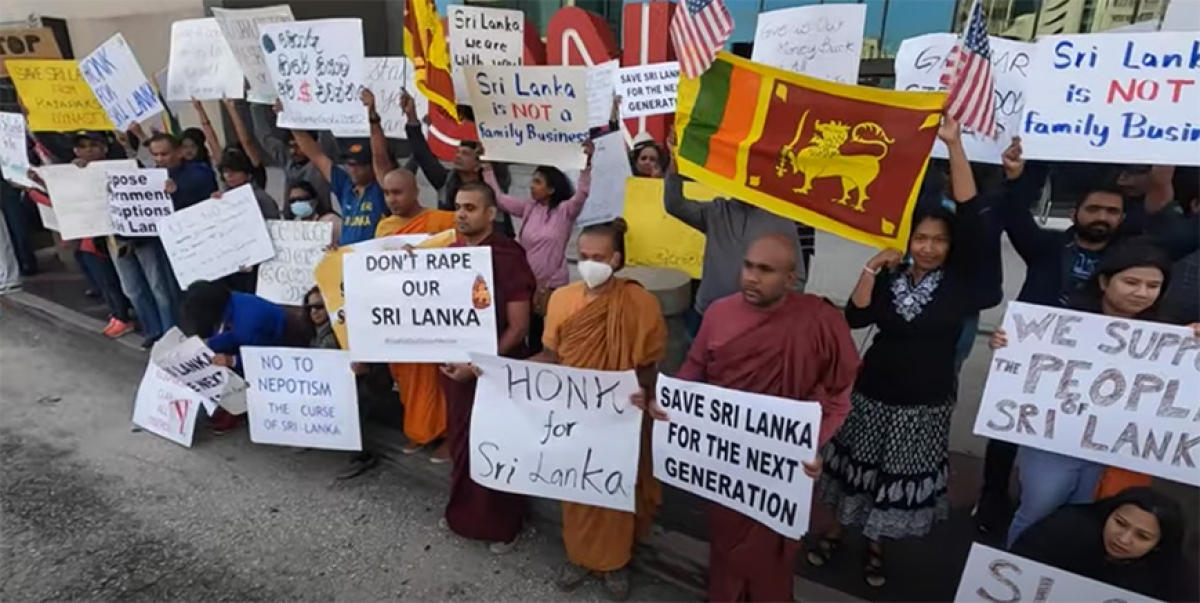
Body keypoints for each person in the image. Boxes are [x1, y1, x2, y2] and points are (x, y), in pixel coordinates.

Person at [809, 119, 981, 588]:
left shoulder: (963, 286)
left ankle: (876, 547)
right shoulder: (892, 276)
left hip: (921, 406)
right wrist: (871, 266)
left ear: (951, 246)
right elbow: (857, 318)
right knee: (854, 476)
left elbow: (973, 213)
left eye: (938, 240)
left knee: (890, 484)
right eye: (920, 239)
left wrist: (955, 146)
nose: (928, 248)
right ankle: (834, 531)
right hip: (872, 393)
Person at [645, 232, 858, 602]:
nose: (751, 278)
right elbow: (695, 370)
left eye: (766, 270)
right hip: (727, 463)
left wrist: (812, 444)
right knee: (726, 546)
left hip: (782, 467)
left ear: (791, 279)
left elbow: (840, 396)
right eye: (748, 266)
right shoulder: (719, 313)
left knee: (774, 556)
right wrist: (669, 403)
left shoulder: (819, 320)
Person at [971, 140, 1170, 533]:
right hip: (1032, 363)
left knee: (1070, 478)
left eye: (1112, 211)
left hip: (1098, 380)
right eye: (1093, 208)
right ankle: (994, 498)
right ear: (1076, 212)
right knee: (1007, 436)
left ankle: (1063, 532)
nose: (1102, 216)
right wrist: (1019, 175)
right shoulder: (1047, 247)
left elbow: (1168, 221)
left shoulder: (1135, 257)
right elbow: (1012, 215)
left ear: (1122, 217)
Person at [997, 241, 1197, 547]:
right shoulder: (1060, 322)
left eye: (1153, 285)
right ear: (1105, 281)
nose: (1141, 292)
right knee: (1037, 511)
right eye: (1131, 282)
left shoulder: (1169, 338)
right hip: (1053, 440)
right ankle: (1012, 572)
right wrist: (1006, 345)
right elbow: (1025, 366)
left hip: (1115, 449)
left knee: (1094, 520)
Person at [521, 219, 665, 600]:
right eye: (582, 257)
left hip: (621, 417)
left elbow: (649, 366)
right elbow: (551, 355)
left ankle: (616, 561)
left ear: (616, 259)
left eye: (597, 257)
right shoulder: (562, 299)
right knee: (577, 486)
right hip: (574, 415)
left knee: (617, 488)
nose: (589, 264)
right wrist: (496, 372)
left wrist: (643, 393)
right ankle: (580, 556)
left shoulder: (640, 304)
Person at [438, 182, 536, 554]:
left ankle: (504, 524)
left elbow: (519, 326)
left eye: (471, 208)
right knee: (461, 442)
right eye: (458, 207)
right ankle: (463, 513)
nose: (461, 214)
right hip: (454, 368)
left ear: (491, 214)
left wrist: (477, 365)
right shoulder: (449, 253)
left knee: (497, 445)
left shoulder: (508, 256)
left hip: (495, 370)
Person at [662, 133, 806, 339]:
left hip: (756, 324)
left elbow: (797, 280)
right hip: (707, 315)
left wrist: (773, 312)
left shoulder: (781, 221)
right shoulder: (716, 211)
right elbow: (675, 205)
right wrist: (674, 162)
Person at [484, 143, 593, 353]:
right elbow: (498, 199)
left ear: (551, 189)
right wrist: (487, 166)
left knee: (550, 340)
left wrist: (586, 164)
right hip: (525, 285)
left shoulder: (565, 211)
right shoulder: (528, 208)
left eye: (537, 182)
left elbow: (582, 193)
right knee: (528, 337)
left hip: (552, 288)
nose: (531, 186)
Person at [1011, 487, 1191, 602]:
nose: (1123, 539)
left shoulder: (1171, 579)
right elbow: (1020, 566)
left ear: (1158, 545)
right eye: (1120, 523)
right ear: (1107, 514)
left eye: (1142, 536)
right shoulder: (1064, 528)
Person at [180, 280, 294, 434]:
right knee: (211, 354)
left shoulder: (246, 325)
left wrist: (231, 360)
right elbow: (230, 335)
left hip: (282, 341)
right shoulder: (231, 301)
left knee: (224, 363)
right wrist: (208, 344)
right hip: (258, 332)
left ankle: (237, 410)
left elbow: (260, 359)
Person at [400, 92, 516, 238]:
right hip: (455, 250)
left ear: (479, 162)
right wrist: (411, 117)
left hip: (492, 249)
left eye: (465, 153)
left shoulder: (495, 181)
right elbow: (422, 154)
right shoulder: (445, 182)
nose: (458, 155)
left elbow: (505, 150)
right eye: (458, 152)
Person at [289, 120, 384, 246]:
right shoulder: (345, 185)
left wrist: (373, 119)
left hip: (371, 258)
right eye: (349, 164)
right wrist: (289, 121)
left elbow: (380, 155)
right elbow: (316, 155)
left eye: (359, 165)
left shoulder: (381, 187)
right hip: (347, 257)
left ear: (372, 166)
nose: (353, 170)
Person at [250, 103, 337, 208]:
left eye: (297, 146)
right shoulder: (287, 160)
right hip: (293, 221)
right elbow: (265, 137)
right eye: (290, 146)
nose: (292, 151)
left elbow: (326, 136)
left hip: (321, 219)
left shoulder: (320, 165)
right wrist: (255, 102)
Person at [283, 181, 341, 247]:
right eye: (292, 200)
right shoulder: (292, 227)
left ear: (314, 201)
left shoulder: (331, 221)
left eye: (301, 199)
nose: (297, 203)